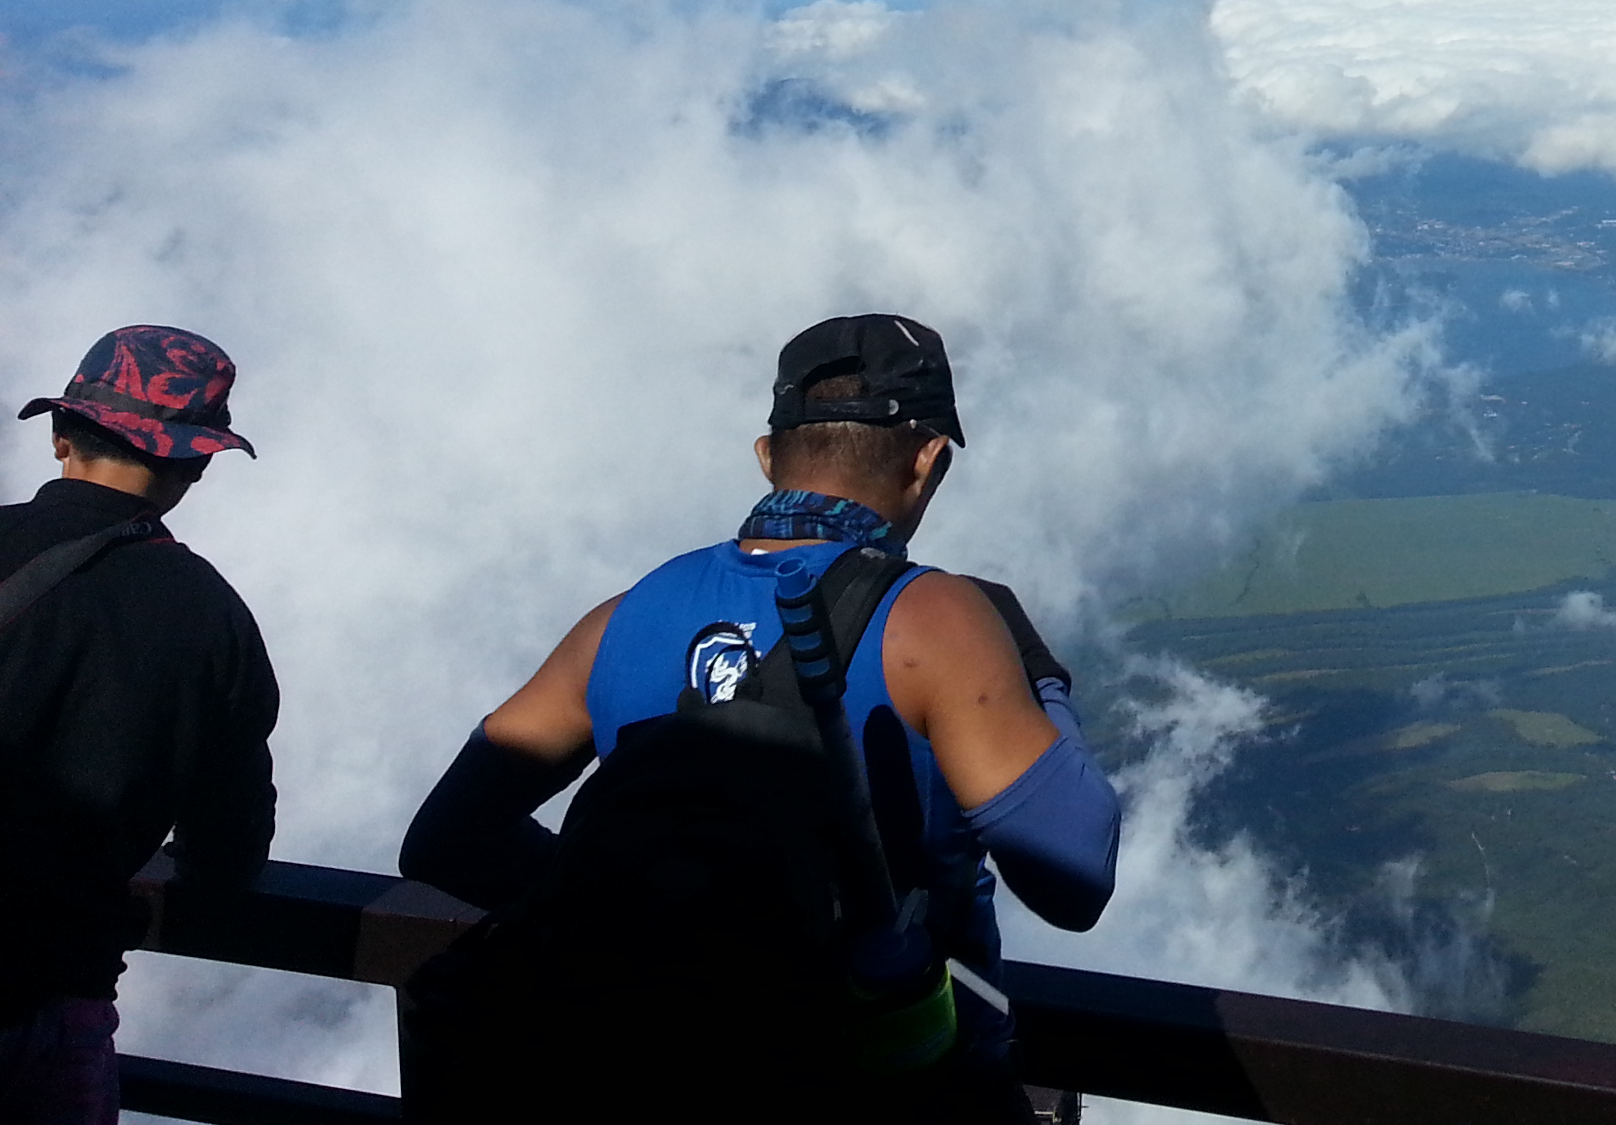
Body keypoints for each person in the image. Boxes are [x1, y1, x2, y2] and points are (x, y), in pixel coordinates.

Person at [401, 314, 1118, 1121]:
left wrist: (659, 926)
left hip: (646, 1081)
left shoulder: (624, 616)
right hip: (884, 1090)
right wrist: (1039, 672)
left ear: (768, 456)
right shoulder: (940, 620)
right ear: (929, 461)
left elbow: (446, 839)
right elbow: (1073, 877)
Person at [0, 327, 278, 1125]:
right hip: (47, 1012)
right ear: (197, 465)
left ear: (59, 435)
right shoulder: (213, 618)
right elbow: (227, 853)